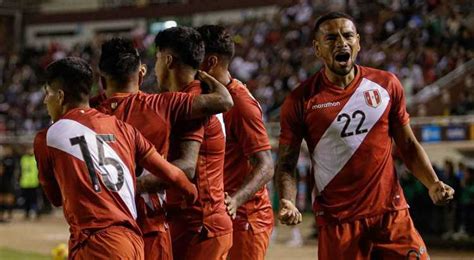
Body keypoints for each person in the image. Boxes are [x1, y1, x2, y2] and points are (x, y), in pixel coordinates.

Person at [275, 12, 455, 259]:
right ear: (317, 49)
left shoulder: (386, 84)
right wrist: (287, 200)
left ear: (358, 42)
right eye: (331, 38)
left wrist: (432, 183)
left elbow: (408, 144)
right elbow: (286, 164)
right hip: (339, 222)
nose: (341, 42)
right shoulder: (300, 100)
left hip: (391, 214)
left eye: (348, 35)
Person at [34, 57, 198, 259]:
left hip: (95, 242)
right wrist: (192, 194)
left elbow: (55, 198)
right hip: (132, 242)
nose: (45, 101)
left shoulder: (47, 137)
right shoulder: (124, 129)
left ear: (60, 96)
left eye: (47, 94)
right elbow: (173, 175)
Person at [95, 36, 233, 260]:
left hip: (105, 230)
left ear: (102, 80)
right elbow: (224, 100)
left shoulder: (88, 115)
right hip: (154, 228)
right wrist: (205, 76)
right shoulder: (163, 105)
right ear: (140, 73)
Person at [143, 26, 232, 260]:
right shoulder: (196, 97)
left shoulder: (191, 104)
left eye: (157, 59)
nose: (155, 67)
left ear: (168, 60)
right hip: (195, 221)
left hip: (199, 225)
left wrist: (132, 186)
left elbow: (186, 167)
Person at [197, 25, 274, 260]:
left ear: (209, 62)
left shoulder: (240, 104)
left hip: (245, 218)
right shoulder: (211, 99)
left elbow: (265, 165)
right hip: (222, 216)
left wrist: (235, 200)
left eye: (193, 58)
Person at [20, 146, 40, 220]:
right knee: (26, 199)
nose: (29, 151)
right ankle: (27, 213)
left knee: (34, 199)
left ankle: (36, 212)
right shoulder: (23, 158)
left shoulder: (36, 158)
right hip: (25, 182)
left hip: (34, 182)